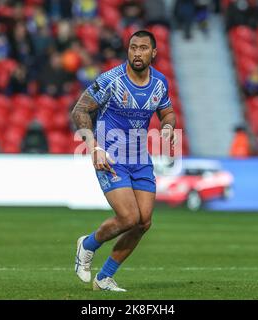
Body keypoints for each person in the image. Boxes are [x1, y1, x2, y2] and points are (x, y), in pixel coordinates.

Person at [71, 30, 176, 291]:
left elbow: (168, 113)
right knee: (129, 217)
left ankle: (104, 277)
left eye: (142, 48)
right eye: (132, 48)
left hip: (140, 158)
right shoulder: (111, 80)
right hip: (110, 156)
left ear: (153, 53)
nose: (137, 53)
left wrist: (167, 127)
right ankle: (87, 245)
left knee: (144, 222)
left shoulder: (160, 83)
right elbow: (80, 109)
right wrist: (93, 147)